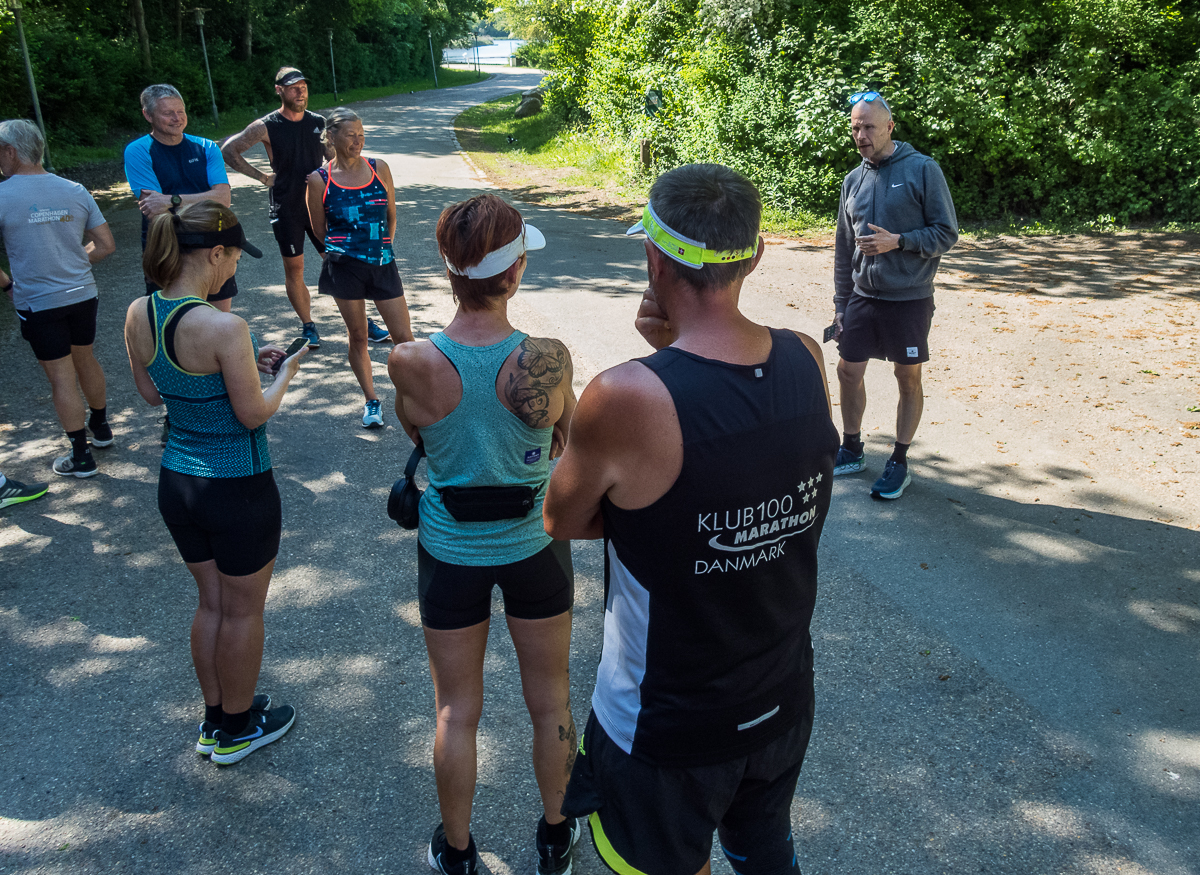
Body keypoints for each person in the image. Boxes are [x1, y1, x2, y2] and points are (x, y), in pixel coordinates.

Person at [544, 164, 838, 875]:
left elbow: (563, 515)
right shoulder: (804, 356)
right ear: (756, 253)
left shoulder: (626, 397)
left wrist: (658, 363)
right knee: (764, 848)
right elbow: (729, 456)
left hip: (665, 729)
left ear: (654, 257)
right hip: (779, 697)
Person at [387, 194, 579, 875]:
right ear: (515, 272)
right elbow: (564, 438)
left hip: (449, 551)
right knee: (550, 697)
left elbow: (420, 436)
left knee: (455, 709)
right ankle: (556, 834)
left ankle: (459, 848)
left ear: (449, 274)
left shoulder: (408, 360)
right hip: (534, 544)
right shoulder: (547, 359)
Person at [123, 200, 304, 765]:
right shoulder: (226, 325)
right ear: (216, 253)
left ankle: (215, 717)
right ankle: (239, 727)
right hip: (238, 487)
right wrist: (284, 374)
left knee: (211, 604)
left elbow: (155, 392)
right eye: (233, 259)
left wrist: (249, 360)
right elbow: (252, 414)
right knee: (244, 611)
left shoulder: (139, 311)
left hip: (178, 483)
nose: (234, 270)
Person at [832, 91, 958, 499]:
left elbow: (946, 233)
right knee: (848, 371)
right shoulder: (853, 180)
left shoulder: (922, 170)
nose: (861, 135)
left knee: (907, 377)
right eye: (855, 128)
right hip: (863, 296)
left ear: (889, 126)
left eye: (868, 126)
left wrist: (899, 241)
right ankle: (851, 447)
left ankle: (899, 460)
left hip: (909, 297)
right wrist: (840, 305)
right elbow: (843, 249)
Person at [221, 67, 392, 348]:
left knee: (340, 262)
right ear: (279, 90)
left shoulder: (319, 122)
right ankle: (308, 326)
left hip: (321, 202)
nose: (300, 92)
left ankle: (363, 321)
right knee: (295, 268)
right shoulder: (267, 125)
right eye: (292, 87)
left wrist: (331, 174)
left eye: (303, 86)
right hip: (287, 206)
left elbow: (333, 157)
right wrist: (263, 177)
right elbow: (229, 149)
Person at [0, 118, 117, 478]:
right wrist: (74, 259)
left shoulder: (2, 195)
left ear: (10, 151)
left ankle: (80, 457)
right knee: (86, 359)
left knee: (61, 379)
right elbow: (106, 245)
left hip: (38, 302)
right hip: (82, 294)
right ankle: (101, 428)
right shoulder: (75, 189)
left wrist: (8, 286)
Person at [307, 107, 413, 428]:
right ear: (332, 137)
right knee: (358, 336)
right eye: (351, 135)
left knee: (403, 338)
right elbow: (318, 229)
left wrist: (383, 246)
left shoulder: (379, 167)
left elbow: (391, 214)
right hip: (344, 268)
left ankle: (415, 396)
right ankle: (371, 401)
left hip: (382, 263)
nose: (358, 140)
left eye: (362, 134)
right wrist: (345, 252)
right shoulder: (318, 180)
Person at [124, 84, 236, 312]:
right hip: (165, 246)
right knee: (172, 320)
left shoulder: (206, 147)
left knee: (218, 318)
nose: (177, 118)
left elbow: (223, 198)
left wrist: (171, 200)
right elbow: (154, 211)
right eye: (168, 113)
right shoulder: (138, 151)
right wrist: (201, 198)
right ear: (148, 115)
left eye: (181, 111)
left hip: (211, 244)